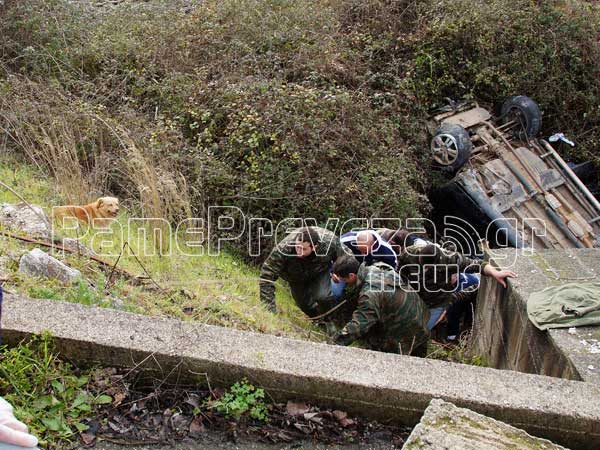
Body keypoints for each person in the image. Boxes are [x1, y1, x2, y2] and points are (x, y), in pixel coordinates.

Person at [396, 243, 517, 329]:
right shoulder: (409, 254)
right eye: (423, 266)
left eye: (429, 267)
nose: (426, 269)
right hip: (414, 296)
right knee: (403, 323)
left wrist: (495, 272)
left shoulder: (451, 259)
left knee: (422, 330)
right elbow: (398, 273)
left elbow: (478, 264)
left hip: (436, 303)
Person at [330, 255, 430, 356]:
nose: (343, 282)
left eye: (343, 280)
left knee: (393, 362)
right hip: (419, 316)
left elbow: (361, 323)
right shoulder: (375, 268)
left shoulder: (370, 292)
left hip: (406, 328)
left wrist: (335, 342)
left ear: (351, 275)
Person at [259, 226, 345, 317]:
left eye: (303, 249)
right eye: (297, 247)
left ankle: (329, 320)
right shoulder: (284, 248)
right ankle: (318, 319)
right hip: (295, 276)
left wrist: (338, 271)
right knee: (305, 305)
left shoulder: (329, 241)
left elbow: (346, 257)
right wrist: (269, 310)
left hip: (319, 271)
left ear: (314, 247)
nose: (299, 252)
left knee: (323, 297)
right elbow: (266, 277)